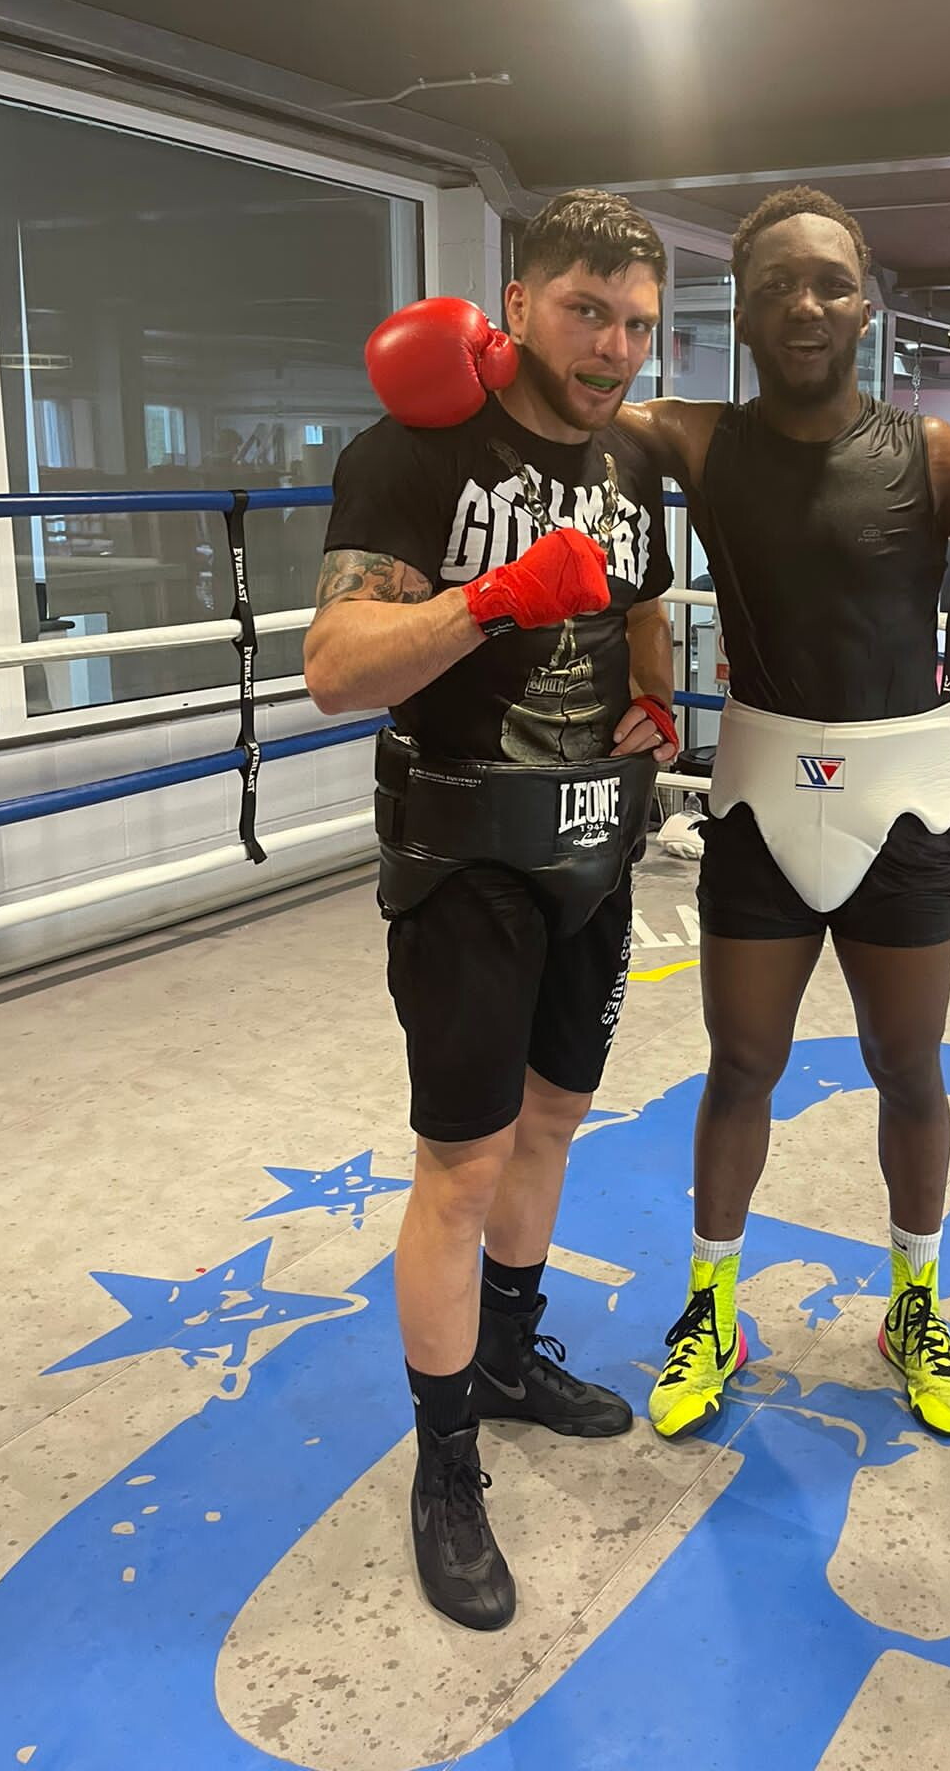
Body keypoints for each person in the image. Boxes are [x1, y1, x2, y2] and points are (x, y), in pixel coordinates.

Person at [621, 186, 950, 1442]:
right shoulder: (692, 438)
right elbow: (568, 412)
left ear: (867, 304)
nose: (805, 304)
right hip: (760, 797)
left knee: (909, 1066)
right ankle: (712, 1310)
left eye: (830, 282)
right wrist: (496, 363)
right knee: (741, 1065)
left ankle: (914, 1305)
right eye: (777, 284)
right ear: (742, 309)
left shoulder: (930, 452)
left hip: (899, 803)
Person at [302, 191, 678, 1633]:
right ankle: (445, 1461)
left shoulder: (632, 460)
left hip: (593, 841)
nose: (613, 348)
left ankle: (511, 1359)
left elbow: (643, 599)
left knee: (555, 1119)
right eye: (587, 311)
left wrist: (661, 693)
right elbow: (335, 668)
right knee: (459, 1166)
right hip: (463, 854)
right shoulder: (413, 452)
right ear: (518, 303)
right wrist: (494, 597)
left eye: (637, 323)